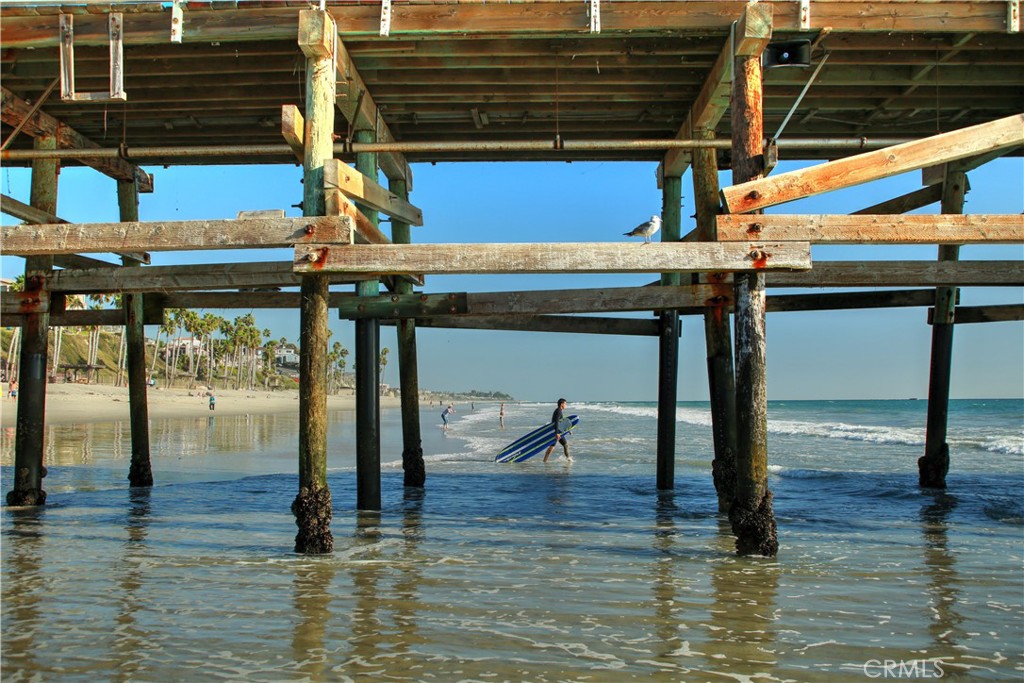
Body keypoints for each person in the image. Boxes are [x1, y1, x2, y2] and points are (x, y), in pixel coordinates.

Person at [543, 398, 572, 462]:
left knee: (553, 446)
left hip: (557, 431)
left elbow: (561, 423)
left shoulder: (559, 410)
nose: (566, 405)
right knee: (564, 445)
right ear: (562, 404)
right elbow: (556, 422)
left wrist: (568, 430)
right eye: (565, 404)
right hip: (556, 432)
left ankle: (545, 460)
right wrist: (556, 433)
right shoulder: (558, 411)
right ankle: (569, 459)